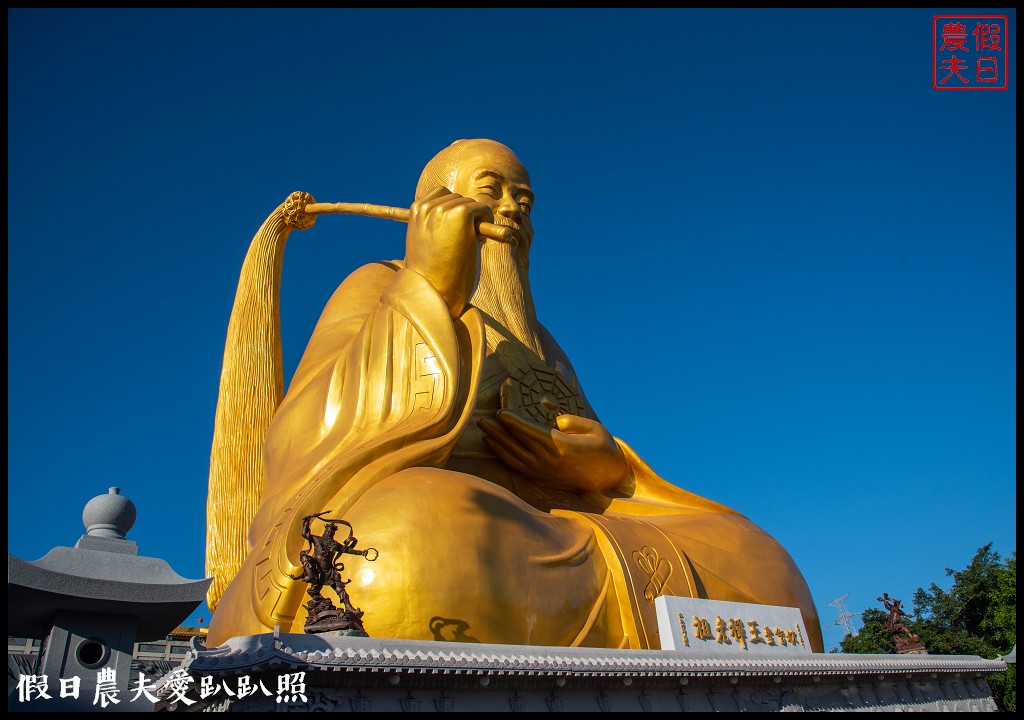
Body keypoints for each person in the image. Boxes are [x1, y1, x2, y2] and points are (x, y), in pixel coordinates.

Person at [206, 139, 824, 651]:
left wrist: (605, 463)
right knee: (406, 535)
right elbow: (301, 437)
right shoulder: (380, 284)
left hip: (562, 527)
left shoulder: (543, 343)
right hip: (459, 517)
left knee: (762, 561)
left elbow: (589, 455)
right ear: (433, 206)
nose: (512, 211)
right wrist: (429, 287)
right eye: (491, 190)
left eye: (524, 200)